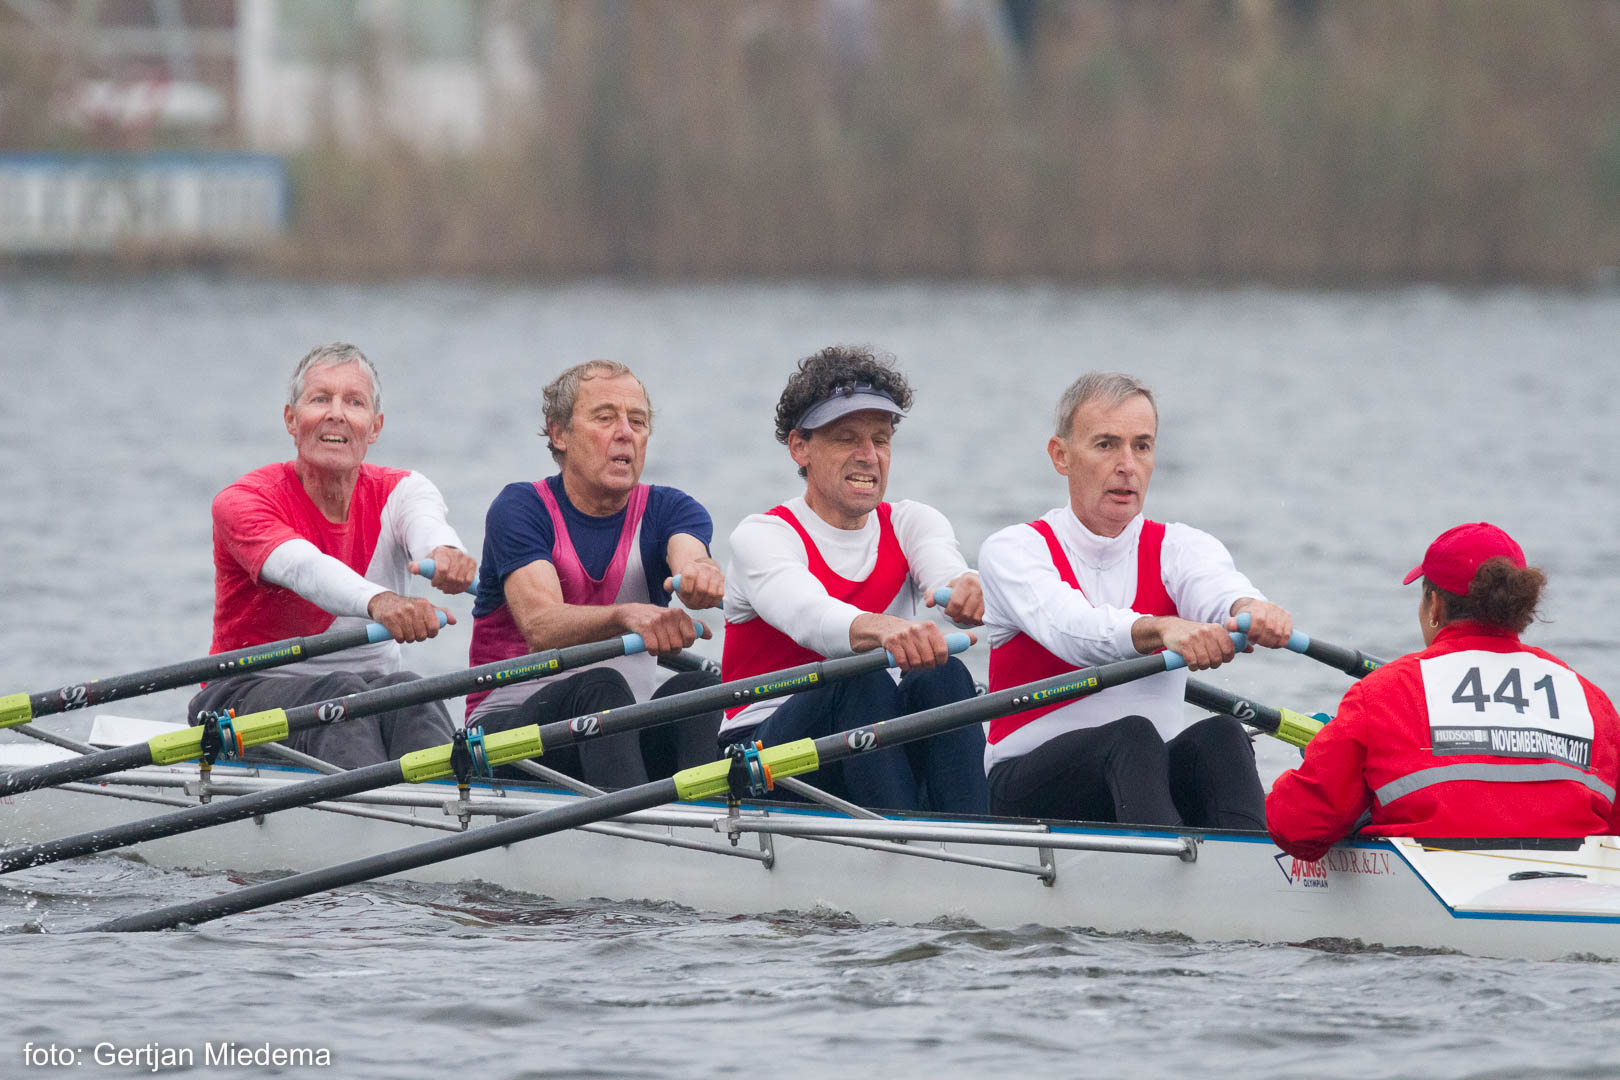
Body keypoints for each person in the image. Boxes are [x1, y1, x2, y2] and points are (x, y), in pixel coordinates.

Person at [977, 371, 1294, 827]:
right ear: (1061, 455)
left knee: (1222, 735)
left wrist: (1248, 609)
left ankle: (1250, 861)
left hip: (1143, 779)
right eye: (1106, 444)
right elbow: (1072, 631)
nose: (1127, 464)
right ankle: (1168, 863)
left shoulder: (1181, 547)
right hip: (1025, 787)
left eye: (1141, 446)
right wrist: (1161, 628)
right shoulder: (1014, 550)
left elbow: (1218, 587)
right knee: (1133, 736)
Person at [721, 345, 987, 813]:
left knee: (944, 673)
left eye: (880, 440)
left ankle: (975, 834)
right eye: (847, 438)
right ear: (799, 447)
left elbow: (945, 570)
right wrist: (884, 629)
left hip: (873, 739)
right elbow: (810, 616)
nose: (869, 456)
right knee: (858, 678)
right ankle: (902, 840)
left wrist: (967, 588)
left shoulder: (911, 522)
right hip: (765, 755)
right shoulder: (762, 536)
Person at [188, 343, 476, 769]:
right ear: (291, 419)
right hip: (240, 697)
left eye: (354, 402)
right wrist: (381, 602)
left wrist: (448, 554)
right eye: (320, 399)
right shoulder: (243, 502)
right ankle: (374, 808)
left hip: (365, 694)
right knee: (341, 694)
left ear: (374, 427)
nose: (336, 414)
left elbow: (427, 526)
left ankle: (444, 800)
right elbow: (304, 568)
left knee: (414, 693)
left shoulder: (404, 490)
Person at [1267, 523, 1620, 860]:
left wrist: (1326, 752)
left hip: (1424, 890)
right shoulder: (1593, 702)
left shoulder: (1383, 693)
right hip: (1573, 890)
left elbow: (1297, 828)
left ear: (1434, 605)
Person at [466, 360, 724, 787]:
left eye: (637, 421)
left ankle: (704, 817)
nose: (625, 433)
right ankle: (632, 823)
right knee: (601, 686)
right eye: (605, 418)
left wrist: (701, 577)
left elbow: (690, 558)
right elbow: (542, 626)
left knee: (700, 689)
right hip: (508, 734)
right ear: (560, 434)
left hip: (617, 730)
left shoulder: (672, 509)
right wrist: (626, 615)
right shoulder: (521, 508)